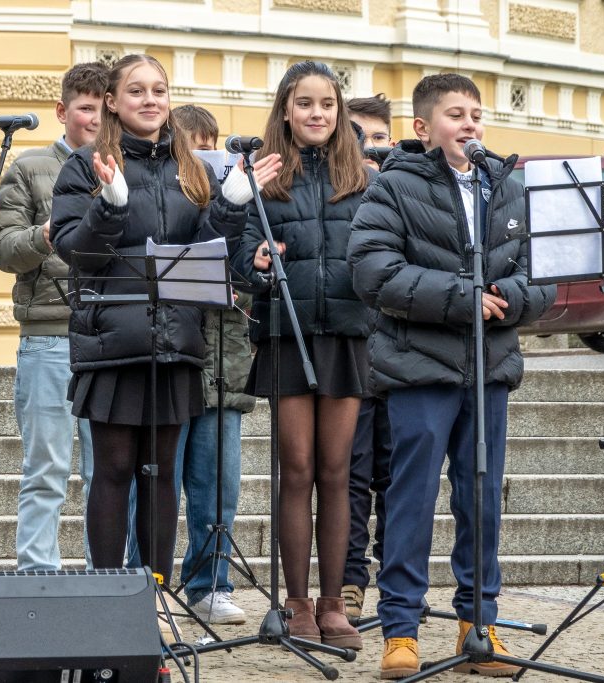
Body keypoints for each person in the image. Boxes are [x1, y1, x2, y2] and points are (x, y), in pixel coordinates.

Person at [50, 55, 280, 608]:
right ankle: (108, 602)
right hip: (113, 343)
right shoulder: (84, 165)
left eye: (159, 89)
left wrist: (231, 205)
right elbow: (75, 252)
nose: (150, 99)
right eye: (136, 90)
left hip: (175, 344)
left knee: (160, 476)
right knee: (113, 472)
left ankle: (152, 599)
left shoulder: (190, 168)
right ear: (112, 100)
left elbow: (205, 253)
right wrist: (110, 206)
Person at [347, 73, 555, 678]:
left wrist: (507, 298)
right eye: (456, 114)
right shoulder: (393, 187)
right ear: (422, 127)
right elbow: (374, 271)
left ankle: (479, 623)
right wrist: (462, 297)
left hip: (489, 370)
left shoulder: (506, 186)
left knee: (481, 499)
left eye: (476, 115)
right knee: (410, 500)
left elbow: (542, 273)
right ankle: (400, 629)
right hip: (420, 370)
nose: (470, 124)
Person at [231, 60, 373, 651]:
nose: (318, 113)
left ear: (339, 113)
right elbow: (239, 260)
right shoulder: (262, 176)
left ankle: (334, 603)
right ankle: (296, 603)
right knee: (297, 470)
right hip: (287, 333)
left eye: (328, 104)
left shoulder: (364, 178)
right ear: (285, 111)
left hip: (344, 335)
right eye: (305, 103)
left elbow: (380, 254)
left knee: (337, 472)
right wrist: (257, 263)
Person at [0, 62, 108, 572]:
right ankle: (38, 575)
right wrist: (43, 235)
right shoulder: (30, 166)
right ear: (62, 111)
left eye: (104, 111)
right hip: (50, 338)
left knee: (109, 473)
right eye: (85, 109)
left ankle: (108, 576)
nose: (96, 120)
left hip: (111, 340)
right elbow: (1, 248)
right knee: (46, 469)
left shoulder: (128, 166)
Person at [168, 103, 255, 625]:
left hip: (225, 358)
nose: (206, 155)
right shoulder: (166, 194)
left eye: (211, 146)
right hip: (175, 356)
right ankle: (147, 582)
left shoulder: (239, 194)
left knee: (219, 487)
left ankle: (210, 584)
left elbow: (246, 268)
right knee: (157, 485)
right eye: (193, 147)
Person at [340, 92, 396, 621]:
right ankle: (349, 579)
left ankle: (396, 581)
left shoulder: (400, 190)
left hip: (399, 358)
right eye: (361, 137)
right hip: (353, 357)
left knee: (395, 477)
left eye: (380, 138)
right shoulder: (339, 192)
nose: (371, 147)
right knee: (351, 477)